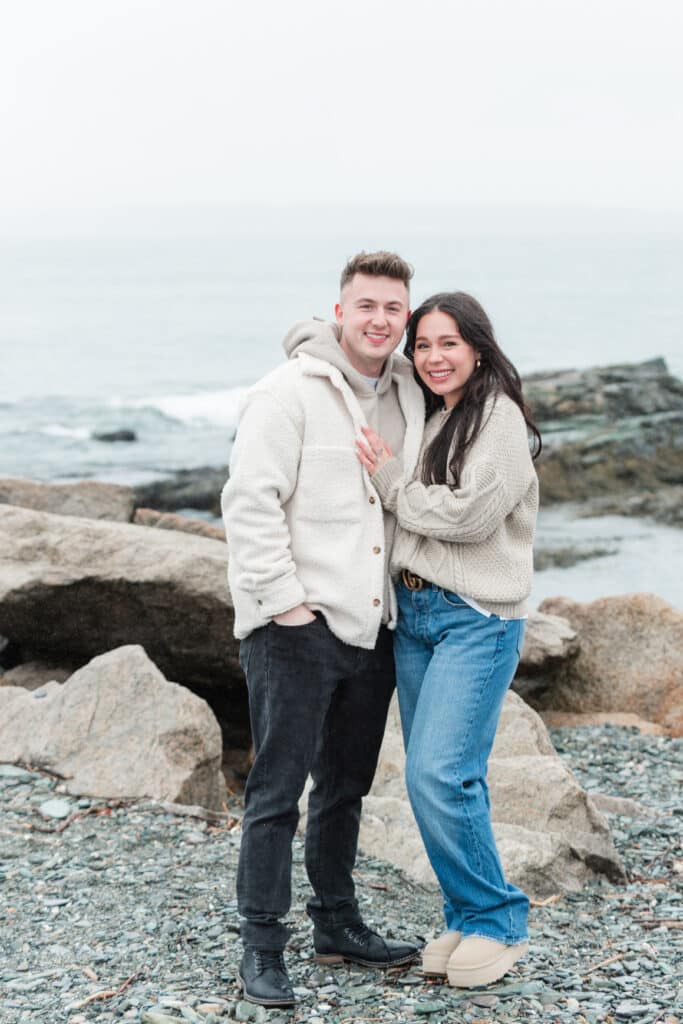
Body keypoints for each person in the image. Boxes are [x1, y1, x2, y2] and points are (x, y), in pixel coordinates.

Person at [221, 251, 425, 1008]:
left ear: (405, 317)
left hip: (373, 626)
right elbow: (248, 502)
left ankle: (336, 924)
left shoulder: (406, 390)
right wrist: (286, 605)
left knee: (345, 788)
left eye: (393, 309)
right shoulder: (287, 393)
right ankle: (261, 945)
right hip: (294, 628)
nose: (379, 320)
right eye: (365, 305)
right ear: (338, 311)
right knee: (276, 791)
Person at [356, 291, 542, 990]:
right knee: (437, 776)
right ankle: (467, 914)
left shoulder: (496, 418)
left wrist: (390, 484)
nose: (433, 358)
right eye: (422, 345)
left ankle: (498, 920)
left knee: (440, 774)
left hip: (476, 618)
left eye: (447, 344)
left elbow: (468, 517)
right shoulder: (437, 413)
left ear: (477, 348)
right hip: (417, 614)